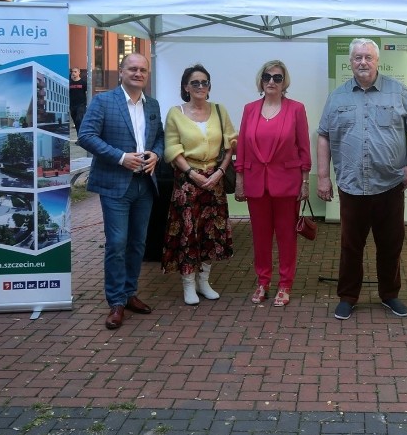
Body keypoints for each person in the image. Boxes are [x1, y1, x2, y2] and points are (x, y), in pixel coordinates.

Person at [317, 38, 407, 321]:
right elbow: (324, 136)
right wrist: (323, 177)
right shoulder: (337, 96)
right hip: (352, 185)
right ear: (350, 62)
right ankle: (348, 296)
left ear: (377, 61)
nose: (362, 62)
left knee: (391, 244)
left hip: (389, 184)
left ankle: (389, 295)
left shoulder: (398, 91)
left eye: (368, 57)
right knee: (350, 246)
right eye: (357, 58)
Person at [77, 53, 164, 330]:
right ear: (121, 72)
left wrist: (156, 155)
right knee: (117, 243)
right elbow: (86, 136)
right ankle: (115, 301)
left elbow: (160, 137)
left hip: (144, 184)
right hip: (116, 183)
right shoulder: (104, 101)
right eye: (133, 69)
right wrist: (120, 157)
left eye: (143, 70)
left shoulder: (153, 104)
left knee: (138, 242)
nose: (138, 73)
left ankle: (129, 293)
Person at [235, 60, 311, 307]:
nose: (271, 81)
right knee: (260, 237)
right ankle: (263, 281)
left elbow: (303, 148)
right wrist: (239, 179)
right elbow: (243, 147)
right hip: (257, 184)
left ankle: (285, 284)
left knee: (286, 237)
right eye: (267, 77)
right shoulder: (249, 109)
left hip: (287, 184)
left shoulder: (296, 109)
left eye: (277, 78)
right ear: (261, 80)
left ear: (284, 82)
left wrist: (305, 180)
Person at [161, 64, 236, 306]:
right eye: (195, 83)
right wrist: (193, 173)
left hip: (214, 179)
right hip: (187, 181)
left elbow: (230, 145)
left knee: (210, 232)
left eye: (204, 82)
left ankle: (204, 281)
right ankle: (188, 284)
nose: (201, 87)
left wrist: (221, 171)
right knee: (188, 232)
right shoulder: (175, 113)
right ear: (186, 87)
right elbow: (172, 149)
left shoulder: (219, 110)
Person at [69, 67, 88, 134]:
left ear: (79, 73)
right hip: (72, 105)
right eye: (72, 71)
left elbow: (87, 92)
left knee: (79, 120)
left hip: (81, 105)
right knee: (75, 121)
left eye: (75, 72)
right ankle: (79, 137)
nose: (73, 73)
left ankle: (81, 136)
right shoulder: (70, 83)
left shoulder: (83, 82)